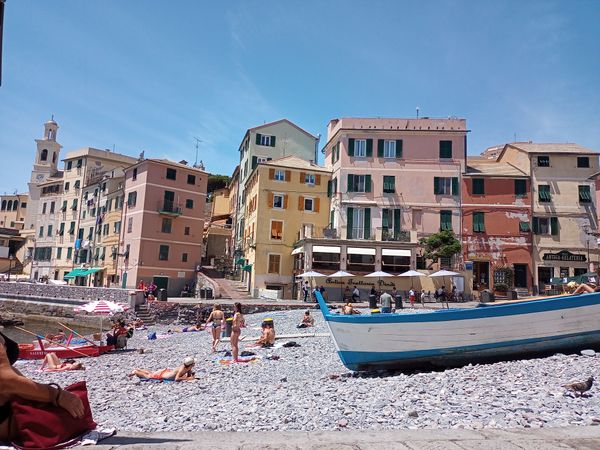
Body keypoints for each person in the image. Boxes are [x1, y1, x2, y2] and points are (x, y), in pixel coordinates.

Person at [0, 332, 86, 442]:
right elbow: (7, 381)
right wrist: (57, 396)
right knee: (71, 414)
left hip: (7, 411)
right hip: (6, 418)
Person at [128, 357, 196, 382]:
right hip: (162, 375)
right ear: (191, 364)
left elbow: (189, 375)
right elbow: (176, 379)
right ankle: (136, 372)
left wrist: (190, 376)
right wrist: (188, 379)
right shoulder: (182, 369)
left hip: (165, 372)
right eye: (193, 363)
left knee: (151, 373)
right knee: (149, 376)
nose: (194, 364)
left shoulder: (188, 367)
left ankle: (139, 369)